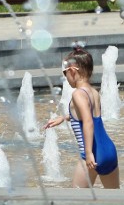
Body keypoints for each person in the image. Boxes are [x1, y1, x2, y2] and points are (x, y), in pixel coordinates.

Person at [44, 47, 119, 189]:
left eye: (64, 73)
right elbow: (88, 117)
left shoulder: (78, 94)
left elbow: (89, 122)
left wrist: (90, 153)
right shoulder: (93, 92)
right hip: (109, 151)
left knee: (77, 201)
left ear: (73, 71)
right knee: (116, 203)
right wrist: (65, 117)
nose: (65, 77)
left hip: (92, 153)